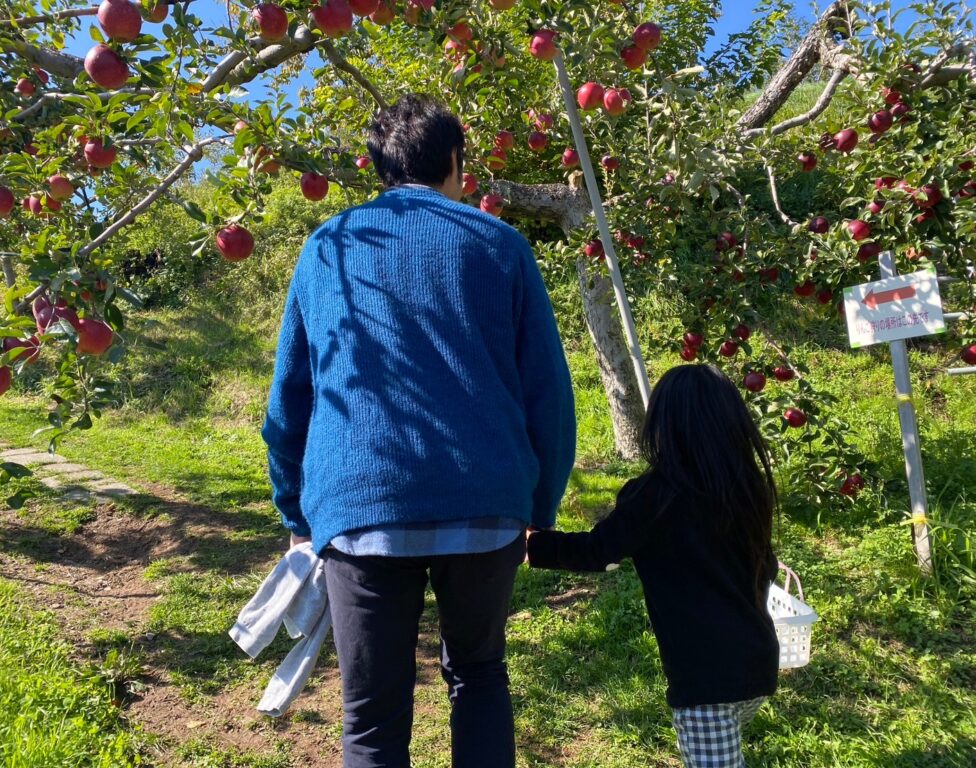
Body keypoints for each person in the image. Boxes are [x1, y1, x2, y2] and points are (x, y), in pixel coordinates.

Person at [261, 94, 576, 768]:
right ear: (455, 161)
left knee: (371, 717)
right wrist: (539, 507)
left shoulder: (329, 249)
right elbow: (549, 394)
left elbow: (292, 395)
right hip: (486, 504)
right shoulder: (500, 245)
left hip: (360, 507)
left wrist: (295, 510)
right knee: (480, 676)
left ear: (379, 167)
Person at [527, 364, 779, 768]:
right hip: (758, 661)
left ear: (664, 425)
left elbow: (598, 550)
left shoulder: (654, 497)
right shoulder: (746, 487)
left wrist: (534, 545)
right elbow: (767, 565)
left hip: (705, 681)